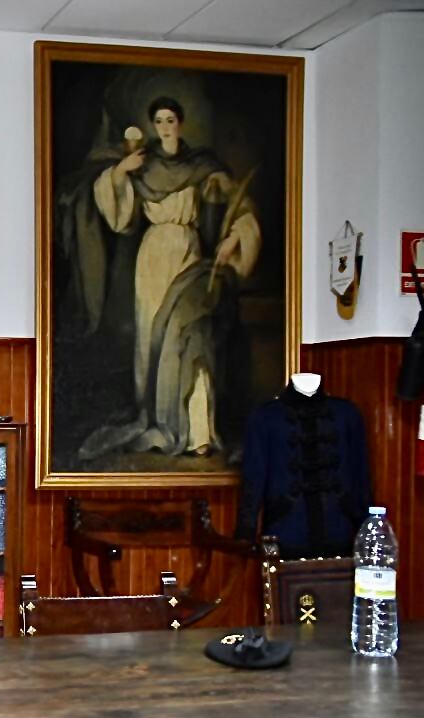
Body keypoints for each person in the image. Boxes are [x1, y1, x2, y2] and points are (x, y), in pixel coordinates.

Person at [77, 96, 260, 460]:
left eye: (170, 119)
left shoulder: (202, 167)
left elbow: (239, 204)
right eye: (158, 120)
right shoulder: (143, 166)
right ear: (154, 125)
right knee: (153, 340)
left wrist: (233, 238)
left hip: (188, 254)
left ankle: (198, 431)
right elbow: (117, 213)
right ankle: (161, 421)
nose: (165, 126)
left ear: (180, 123)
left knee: (193, 337)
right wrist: (120, 171)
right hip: (152, 259)